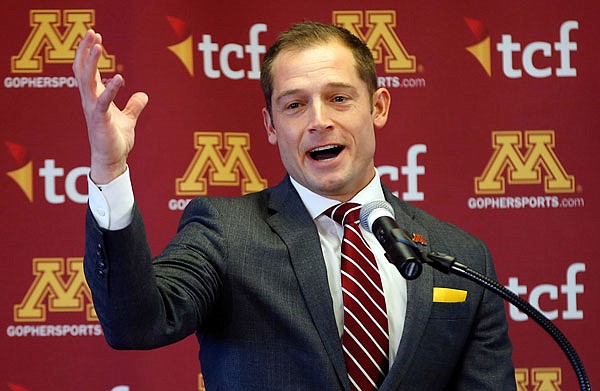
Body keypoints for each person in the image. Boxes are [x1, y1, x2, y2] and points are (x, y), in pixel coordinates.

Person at [74, 22, 515, 390]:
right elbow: (137, 322)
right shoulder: (226, 233)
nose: (318, 121)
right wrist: (109, 168)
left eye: (339, 98)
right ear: (270, 124)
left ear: (378, 107)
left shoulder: (460, 256)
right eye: (295, 105)